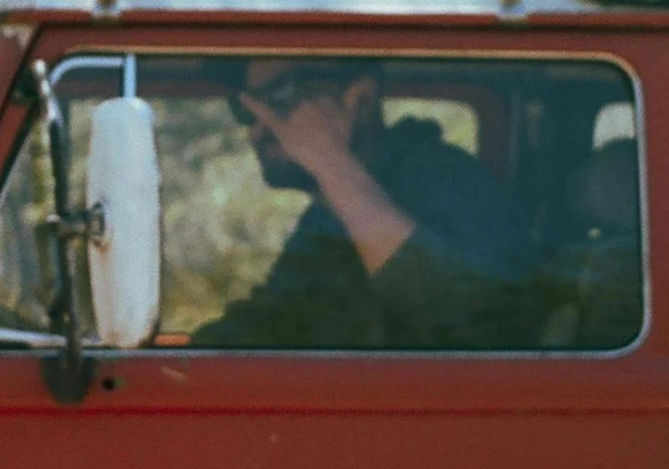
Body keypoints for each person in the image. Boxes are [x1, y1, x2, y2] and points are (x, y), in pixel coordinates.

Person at [192, 58, 536, 348]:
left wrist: (330, 162)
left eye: (281, 99)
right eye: (245, 109)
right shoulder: (326, 215)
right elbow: (273, 319)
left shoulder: (453, 183)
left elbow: (457, 325)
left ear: (361, 98)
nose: (258, 130)